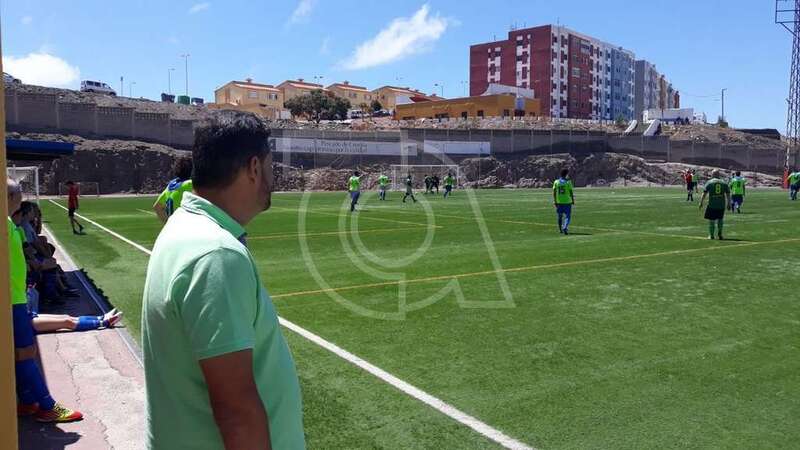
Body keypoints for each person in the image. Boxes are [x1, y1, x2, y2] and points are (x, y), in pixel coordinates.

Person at [142, 112, 304, 449]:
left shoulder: (184, 226)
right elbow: (236, 409)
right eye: (271, 167)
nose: (272, 179)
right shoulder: (216, 254)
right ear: (254, 168)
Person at [8, 179, 83, 423]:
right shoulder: (6, 225)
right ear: (9, 198)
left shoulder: (11, 225)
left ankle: (28, 401)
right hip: (12, 300)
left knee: (21, 352)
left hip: (17, 296)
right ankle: (46, 405)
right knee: (25, 352)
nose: (21, 198)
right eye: (18, 193)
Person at [153, 156, 194, 223]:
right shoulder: (190, 184)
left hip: (174, 228)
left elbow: (157, 207)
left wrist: (167, 223)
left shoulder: (171, 185)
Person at [699, 169, 731, 240]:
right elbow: (728, 194)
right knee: (720, 219)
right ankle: (720, 234)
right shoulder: (724, 183)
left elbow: (704, 193)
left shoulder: (709, 182)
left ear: (713, 175)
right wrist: (729, 203)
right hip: (721, 204)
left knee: (711, 220)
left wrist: (701, 202)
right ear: (718, 175)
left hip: (712, 204)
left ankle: (711, 235)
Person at [552, 168, 575, 235]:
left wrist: (555, 201)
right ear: (566, 174)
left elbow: (554, 192)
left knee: (560, 216)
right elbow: (571, 192)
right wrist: (573, 200)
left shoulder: (556, 182)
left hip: (559, 202)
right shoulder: (568, 182)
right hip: (567, 201)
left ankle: (560, 229)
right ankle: (565, 227)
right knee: (568, 216)